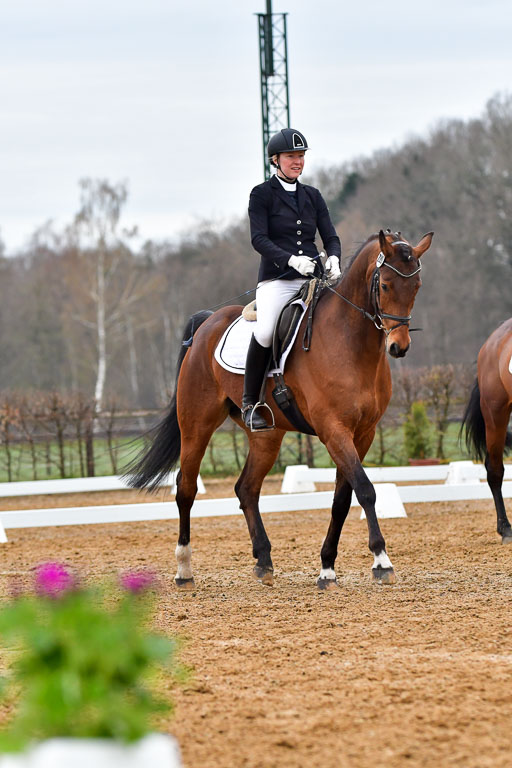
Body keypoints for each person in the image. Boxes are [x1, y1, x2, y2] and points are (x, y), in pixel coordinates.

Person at [242, 128, 342, 430]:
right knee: (267, 330)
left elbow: (330, 235)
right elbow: (258, 239)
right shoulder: (261, 195)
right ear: (276, 160)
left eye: (301, 156)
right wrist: (290, 260)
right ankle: (250, 402)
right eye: (291, 157)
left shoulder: (312, 195)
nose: (297, 162)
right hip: (278, 279)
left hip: (314, 279)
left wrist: (334, 256)